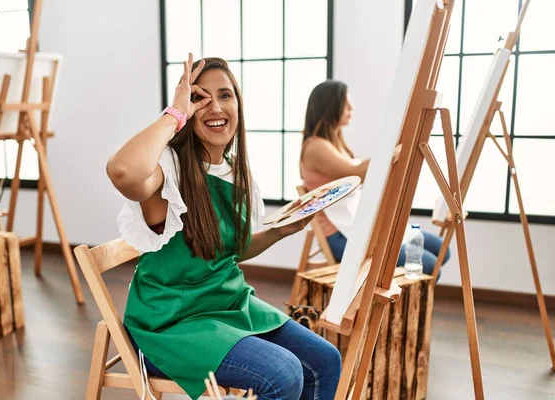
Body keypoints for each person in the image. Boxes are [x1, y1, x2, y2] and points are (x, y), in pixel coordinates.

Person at [107, 54, 341, 400]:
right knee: (283, 373)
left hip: (227, 305)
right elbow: (123, 171)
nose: (215, 107)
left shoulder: (231, 168)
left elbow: (229, 249)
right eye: (200, 98)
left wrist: (279, 231)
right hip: (172, 323)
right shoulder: (166, 172)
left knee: (325, 360)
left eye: (225, 95)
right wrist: (175, 113)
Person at [299, 80, 451, 276]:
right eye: (345, 103)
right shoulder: (316, 147)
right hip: (339, 234)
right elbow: (357, 176)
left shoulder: (337, 144)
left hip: (357, 224)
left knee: (441, 250)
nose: (351, 108)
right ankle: (391, 304)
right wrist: (394, 143)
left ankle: (391, 302)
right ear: (330, 106)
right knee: (429, 265)